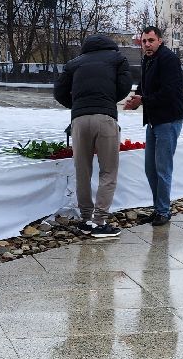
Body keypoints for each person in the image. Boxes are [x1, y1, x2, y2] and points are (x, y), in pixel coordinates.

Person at [54, 32, 132, 239]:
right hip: (105, 118)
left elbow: (58, 92)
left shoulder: (74, 63)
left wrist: (79, 105)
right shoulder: (118, 59)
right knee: (108, 171)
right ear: (109, 45)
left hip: (79, 120)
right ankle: (99, 222)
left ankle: (86, 220)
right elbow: (124, 87)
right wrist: (105, 100)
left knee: (82, 171)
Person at [124, 24, 183, 227]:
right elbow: (144, 87)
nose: (147, 44)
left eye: (151, 40)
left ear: (160, 40)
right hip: (153, 120)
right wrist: (135, 99)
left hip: (168, 120)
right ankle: (158, 208)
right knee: (150, 169)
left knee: (162, 169)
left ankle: (163, 211)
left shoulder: (168, 59)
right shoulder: (148, 60)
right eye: (144, 41)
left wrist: (143, 100)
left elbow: (168, 92)